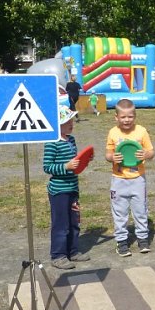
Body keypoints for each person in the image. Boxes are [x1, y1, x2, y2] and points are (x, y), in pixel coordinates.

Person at [43, 106, 91, 269]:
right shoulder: (52, 143)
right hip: (59, 191)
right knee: (61, 224)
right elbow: (47, 166)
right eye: (66, 122)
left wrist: (85, 159)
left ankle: (73, 251)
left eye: (71, 121)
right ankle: (58, 255)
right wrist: (66, 166)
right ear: (57, 125)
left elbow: (76, 163)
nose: (71, 124)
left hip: (73, 188)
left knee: (74, 221)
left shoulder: (71, 140)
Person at [105, 99, 155, 257]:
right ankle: (121, 241)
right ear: (116, 117)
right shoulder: (113, 132)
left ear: (135, 116)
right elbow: (108, 154)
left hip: (138, 179)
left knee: (140, 209)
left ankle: (143, 238)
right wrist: (112, 157)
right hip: (118, 179)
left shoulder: (141, 131)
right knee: (119, 211)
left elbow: (151, 152)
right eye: (123, 117)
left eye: (130, 116)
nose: (127, 120)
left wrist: (146, 154)